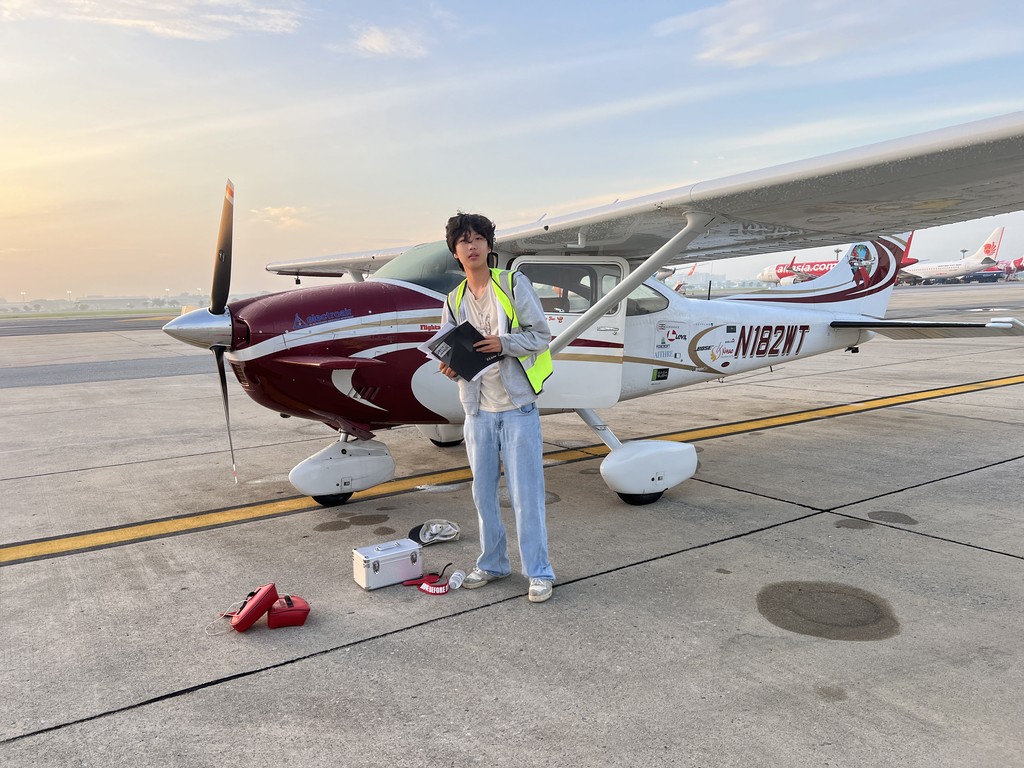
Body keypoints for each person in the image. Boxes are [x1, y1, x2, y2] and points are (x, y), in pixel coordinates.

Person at [439, 212, 556, 603]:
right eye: (463, 241)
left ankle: (538, 572)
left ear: (489, 245)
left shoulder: (511, 282)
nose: (471, 246)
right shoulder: (453, 299)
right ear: (455, 252)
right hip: (477, 411)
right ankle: (493, 563)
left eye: (477, 239)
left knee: (526, 493)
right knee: (483, 493)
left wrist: (502, 344)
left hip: (517, 407)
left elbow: (540, 335)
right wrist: (450, 366)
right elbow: (448, 347)